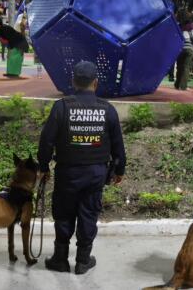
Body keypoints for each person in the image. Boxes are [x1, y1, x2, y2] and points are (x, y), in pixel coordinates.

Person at [38, 61, 126, 275]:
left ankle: (60, 259)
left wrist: (43, 166)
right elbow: (118, 145)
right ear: (95, 83)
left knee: (64, 214)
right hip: (95, 173)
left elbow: (46, 141)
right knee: (89, 213)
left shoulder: (62, 107)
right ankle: (83, 261)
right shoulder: (108, 109)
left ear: (73, 82)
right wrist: (120, 170)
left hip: (67, 172)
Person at [175, 15, 193, 91]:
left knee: (179, 67)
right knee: (186, 67)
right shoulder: (190, 26)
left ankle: (177, 84)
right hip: (189, 48)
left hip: (179, 48)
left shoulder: (178, 26)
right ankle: (183, 86)